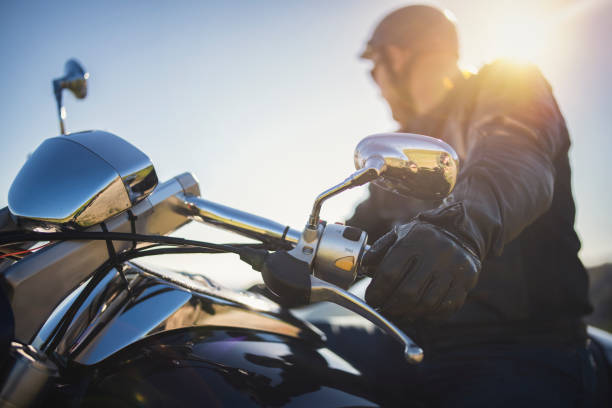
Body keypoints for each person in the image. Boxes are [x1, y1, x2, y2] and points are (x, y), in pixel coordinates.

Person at [338, 4, 608, 406]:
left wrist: (460, 226)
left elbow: (515, 154)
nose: (374, 83)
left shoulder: (507, 84)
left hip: (514, 349)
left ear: (397, 56)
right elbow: (358, 234)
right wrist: (289, 264)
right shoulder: (405, 145)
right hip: (406, 343)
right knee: (263, 349)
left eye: (374, 68)